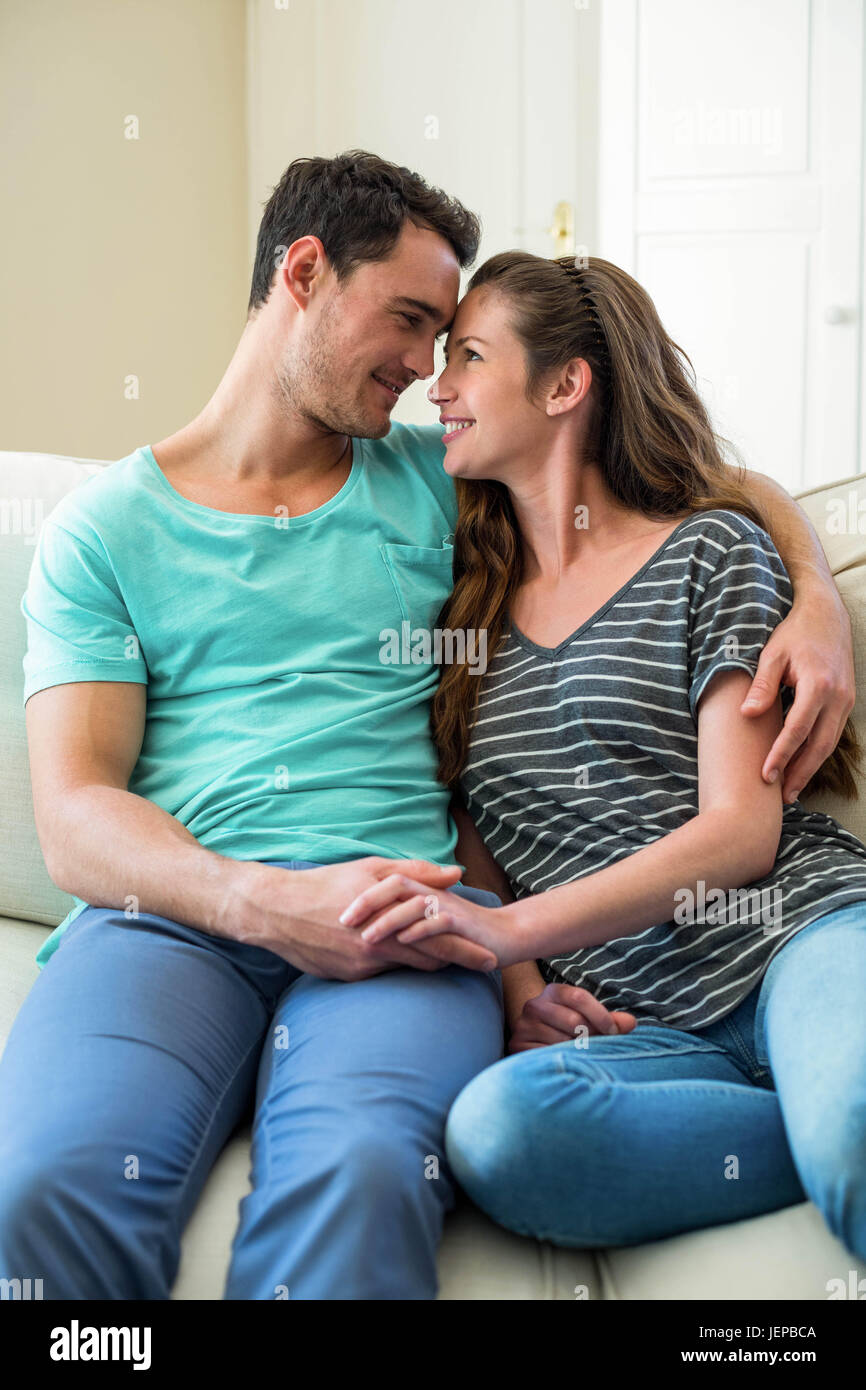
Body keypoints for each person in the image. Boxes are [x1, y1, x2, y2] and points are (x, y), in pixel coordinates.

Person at [0, 151, 855, 1300]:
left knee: (359, 1174)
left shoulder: (435, 477)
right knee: (45, 1183)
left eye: (449, 339)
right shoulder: (100, 533)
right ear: (303, 273)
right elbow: (75, 819)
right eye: (409, 322)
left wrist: (814, 601)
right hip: (179, 917)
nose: (422, 369)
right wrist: (261, 900)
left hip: (408, 920)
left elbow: (699, 480)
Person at [338, 250, 866, 1262]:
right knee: (499, 1131)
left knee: (849, 1115)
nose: (434, 385)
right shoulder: (461, 611)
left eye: (469, 356)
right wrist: (522, 987)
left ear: (564, 384)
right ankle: (800, 1110)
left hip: (796, 942)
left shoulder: (706, 549)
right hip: (639, 1031)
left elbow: (736, 836)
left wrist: (495, 935)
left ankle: (824, 1102)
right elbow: (476, 843)